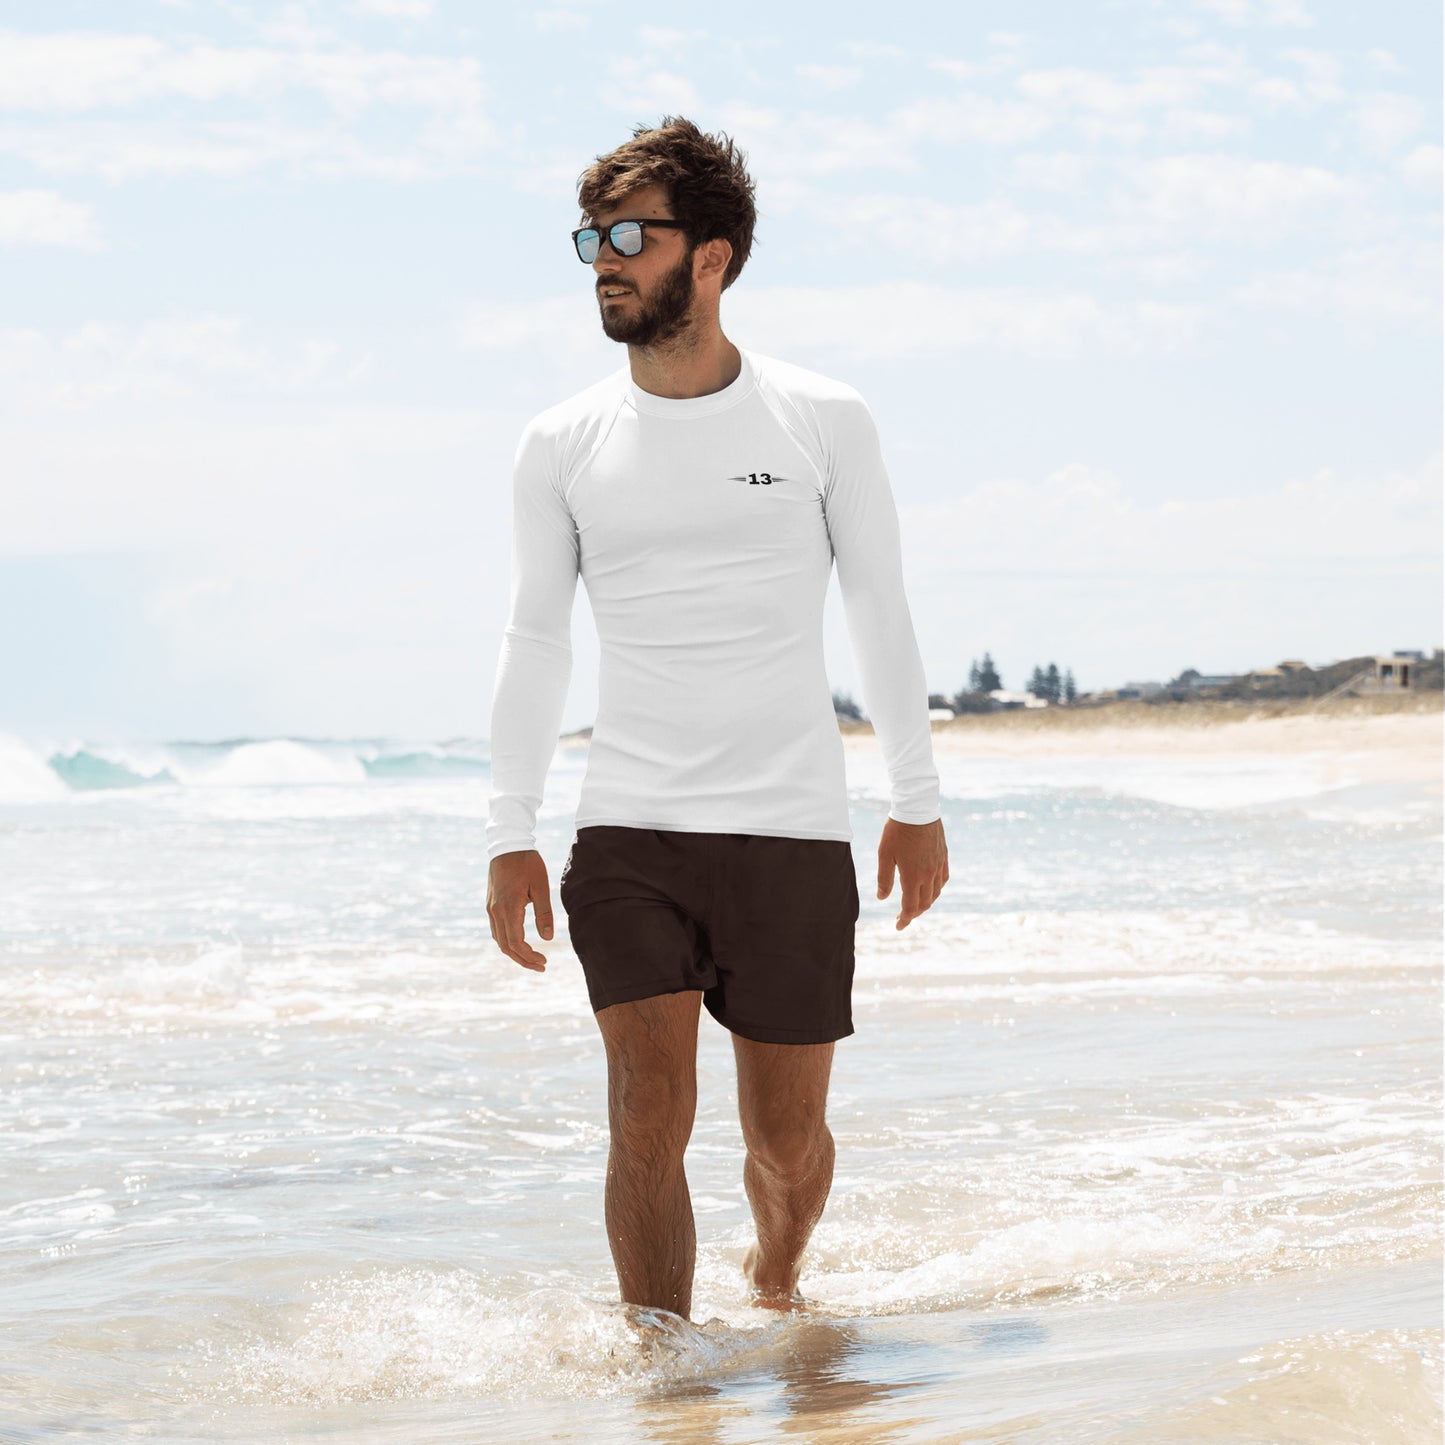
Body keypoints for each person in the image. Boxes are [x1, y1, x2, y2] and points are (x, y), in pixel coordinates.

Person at [485, 116, 949, 1324]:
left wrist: (917, 800)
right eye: (590, 235)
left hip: (790, 830)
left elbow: (878, 612)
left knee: (785, 1145)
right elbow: (536, 638)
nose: (603, 258)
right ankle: (663, 1374)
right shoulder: (560, 442)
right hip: (628, 828)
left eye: (631, 233)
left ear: (713, 257)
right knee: (645, 1107)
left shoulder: (820, 418)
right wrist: (508, 825)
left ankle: (780, 1272)